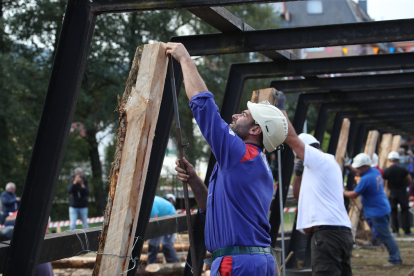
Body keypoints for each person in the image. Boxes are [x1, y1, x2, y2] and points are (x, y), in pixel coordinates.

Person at [170, 42, 287, 275]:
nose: (235, 116)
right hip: (254, 260)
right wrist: (194, 180)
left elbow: (204, 109)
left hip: (238, 263)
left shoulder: (240, 154)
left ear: (255, 131)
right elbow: (211, 206)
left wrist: (185, 59)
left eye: (244, 115)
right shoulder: (253, 162)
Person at [280, 100, 353, 274]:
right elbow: (299, 197)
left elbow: (291, 138)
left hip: (328, 234)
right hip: (337, 232)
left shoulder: (319, 160)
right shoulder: (320, 168)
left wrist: (280, 109)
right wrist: (297, 176)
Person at [344, 153, 402, 267]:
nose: (356, 169)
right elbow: (357, 172)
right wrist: (348, 166)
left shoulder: (366, 179)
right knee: (386, 235)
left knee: (386, 236)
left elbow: (353, 194)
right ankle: (396, 258)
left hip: (377, 211)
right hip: (382, 208)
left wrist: (341, 191)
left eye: (358, 167)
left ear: (365, 167)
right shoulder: (374, 172)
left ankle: (395, 259)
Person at [383, 151, 413, 236]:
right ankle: (407, 230)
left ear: (389, 160)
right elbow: (409, 180)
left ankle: (395, 230)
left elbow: (383, 182)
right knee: (405, 210)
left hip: (392, 193)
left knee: (393, 212)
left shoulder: (387, 171)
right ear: (397, 160)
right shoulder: (403, 170)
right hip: (402, 192)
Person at [147, 196, 179, 264]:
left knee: (166, 244)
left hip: (170, 216)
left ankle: (174, 264)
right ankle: (151, 265)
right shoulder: (148, 201)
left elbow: (153, 224)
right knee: (152, 244)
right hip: (159, 219)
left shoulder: (151, 203)